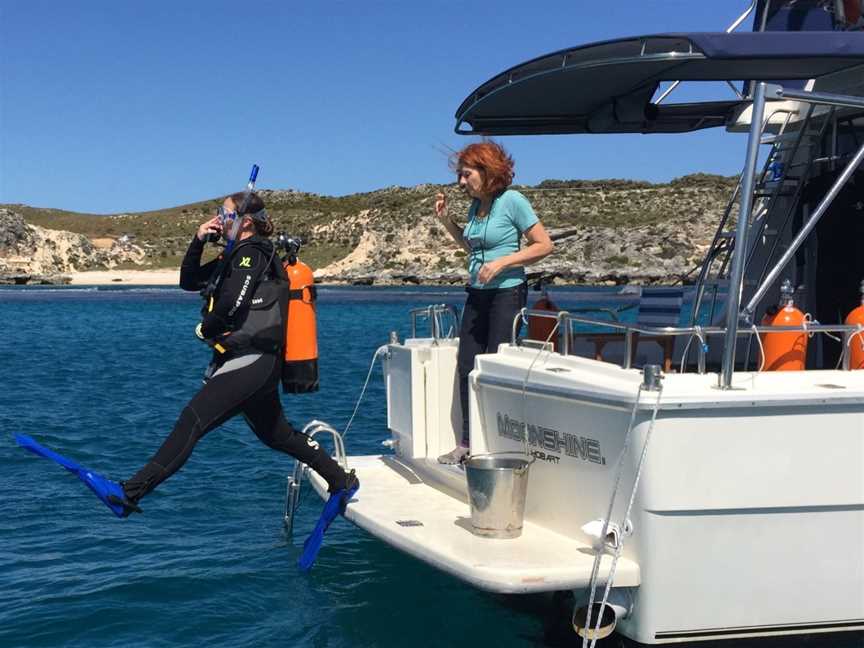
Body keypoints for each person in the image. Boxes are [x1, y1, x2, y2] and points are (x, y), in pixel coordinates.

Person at [116, 191, 357, 513]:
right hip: (253, 361)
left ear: (245, 222)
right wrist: (198, 240)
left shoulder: (252, 253)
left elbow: (232, 304)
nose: (219, 219)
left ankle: (130, 493)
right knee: (278, 435)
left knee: (193, 420)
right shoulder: (233, 255)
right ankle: (341, 480)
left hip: (252, 358)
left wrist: (207, 328)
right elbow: (188, 281)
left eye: (225, 214)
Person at [434, 141, 553, 464]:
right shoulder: (476, 207)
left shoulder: (512, 201)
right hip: (477, 293)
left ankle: (498, 442)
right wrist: (446, 221)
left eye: (466, 174)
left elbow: (544, 245)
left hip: (507, 293)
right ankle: (467, 442)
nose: (461, 182)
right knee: (467, 366)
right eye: (460, 175)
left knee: (494, 365)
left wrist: (503, 263)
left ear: (486, 171)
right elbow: (472, 247)